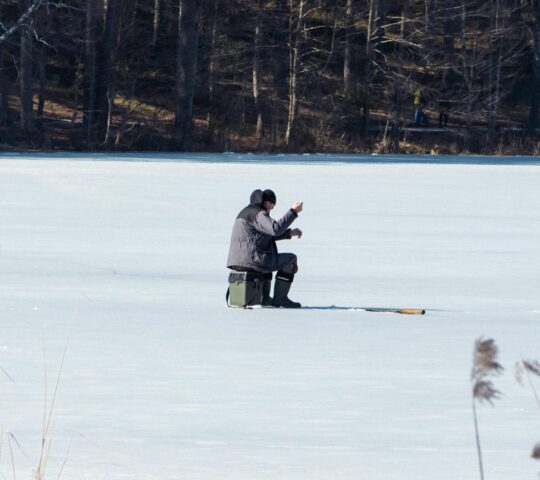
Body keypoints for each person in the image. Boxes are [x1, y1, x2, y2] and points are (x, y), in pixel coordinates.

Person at [227, 189, 303, 308]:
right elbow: (275, 229)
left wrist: (288, 234)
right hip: (253, 260)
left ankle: (265, 298)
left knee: (267, 257)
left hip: (239, 261)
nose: (271, 209)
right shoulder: (258, 213)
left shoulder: (245, 212)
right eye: (271, 205)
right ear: (265, 203)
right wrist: (293, 211)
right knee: (290, 259)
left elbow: (260, 237)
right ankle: (280, 299)